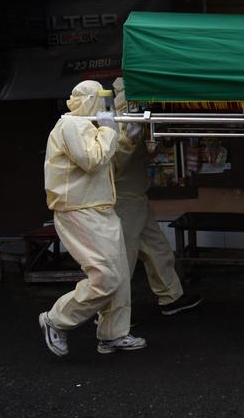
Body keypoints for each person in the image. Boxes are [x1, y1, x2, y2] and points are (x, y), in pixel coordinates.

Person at [39, 80, 146, 356]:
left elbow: (111, 165)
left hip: (102, 210)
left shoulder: (90, 127)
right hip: (78, 210)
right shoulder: (70, 126)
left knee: (120, 276)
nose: (105, 104)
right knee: (106, 277)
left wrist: (126, 139)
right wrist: (111, 130)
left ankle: (113, 333)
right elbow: (92, 159)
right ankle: (56, 319)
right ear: (89, 100)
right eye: (101, 98)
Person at [112, 77, 202, 315]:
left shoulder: (138, 117)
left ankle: (171, 297)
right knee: (124, 260)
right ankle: (113, 315)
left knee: (158, 250)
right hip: (122, 201)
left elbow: (146, 151)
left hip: (136, 197)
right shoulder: (116, 120)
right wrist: (128, 140)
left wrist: (163, 142)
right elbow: (111, 163)